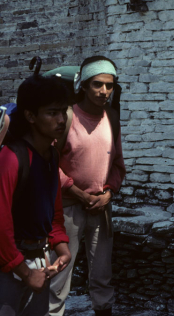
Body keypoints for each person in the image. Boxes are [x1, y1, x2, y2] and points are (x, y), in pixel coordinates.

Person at [49, 56, 126, 316]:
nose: (104, 91)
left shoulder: (111, 118)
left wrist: (108, 193)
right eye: (97, 84)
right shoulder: (67, 117)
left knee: (103, 273)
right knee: (59, 275)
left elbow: (117, 164)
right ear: (83, 85)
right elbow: (49, 163)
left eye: (109, 85)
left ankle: (103, 311)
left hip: (100, 208)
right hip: (67, 207)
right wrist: (78, 192)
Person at [0, 75, 72, 315]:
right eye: (52, 113)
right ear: (31, 116)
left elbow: (53, 210)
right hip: (9, 265)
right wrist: (25, 272)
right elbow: (1, 225)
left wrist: (61, 246)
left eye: (63, 111)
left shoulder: (51, 156)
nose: (61, 120)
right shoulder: (12, 158)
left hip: (39, 262)